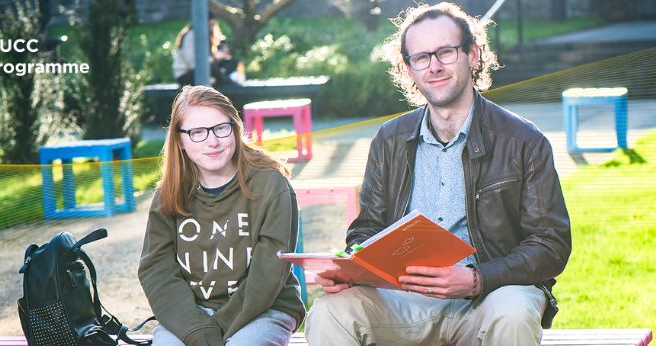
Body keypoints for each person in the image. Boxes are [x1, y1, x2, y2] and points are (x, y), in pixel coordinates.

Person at [305, 2, 572, 345]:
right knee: (329, 312)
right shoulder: (389, 140)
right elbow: (367, 229)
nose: (434, 66)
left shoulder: (524, 142)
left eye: (445, 52)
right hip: (401, 301)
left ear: (473, 54)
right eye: (421, 58)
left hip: (490, 297)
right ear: (409, 69)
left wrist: (477, 278)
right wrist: (352, 270)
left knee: (515, 311)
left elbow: (551, 244)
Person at [138, 85, 305, 345]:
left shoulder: (270, 186)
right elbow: (157, 270)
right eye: (197, 132)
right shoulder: (168, 194)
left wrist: (216, 331)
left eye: (220, 128)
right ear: (180, 140)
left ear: (235, 128)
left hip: (263, 310)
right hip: (191, 313)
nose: (212, 141)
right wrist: (196, 330)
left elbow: (267, 275)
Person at [172, 15, 244, 87]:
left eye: (213, 25)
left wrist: (220, 57)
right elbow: (194, 63)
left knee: (232, 61)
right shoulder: (191, 35)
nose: (211, 28)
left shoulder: (207, 35)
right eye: (210, 25)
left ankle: (221, 81)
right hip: (185, 76)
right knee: (211, 67)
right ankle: (229, 84)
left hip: (202, 69)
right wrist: (215, 58)